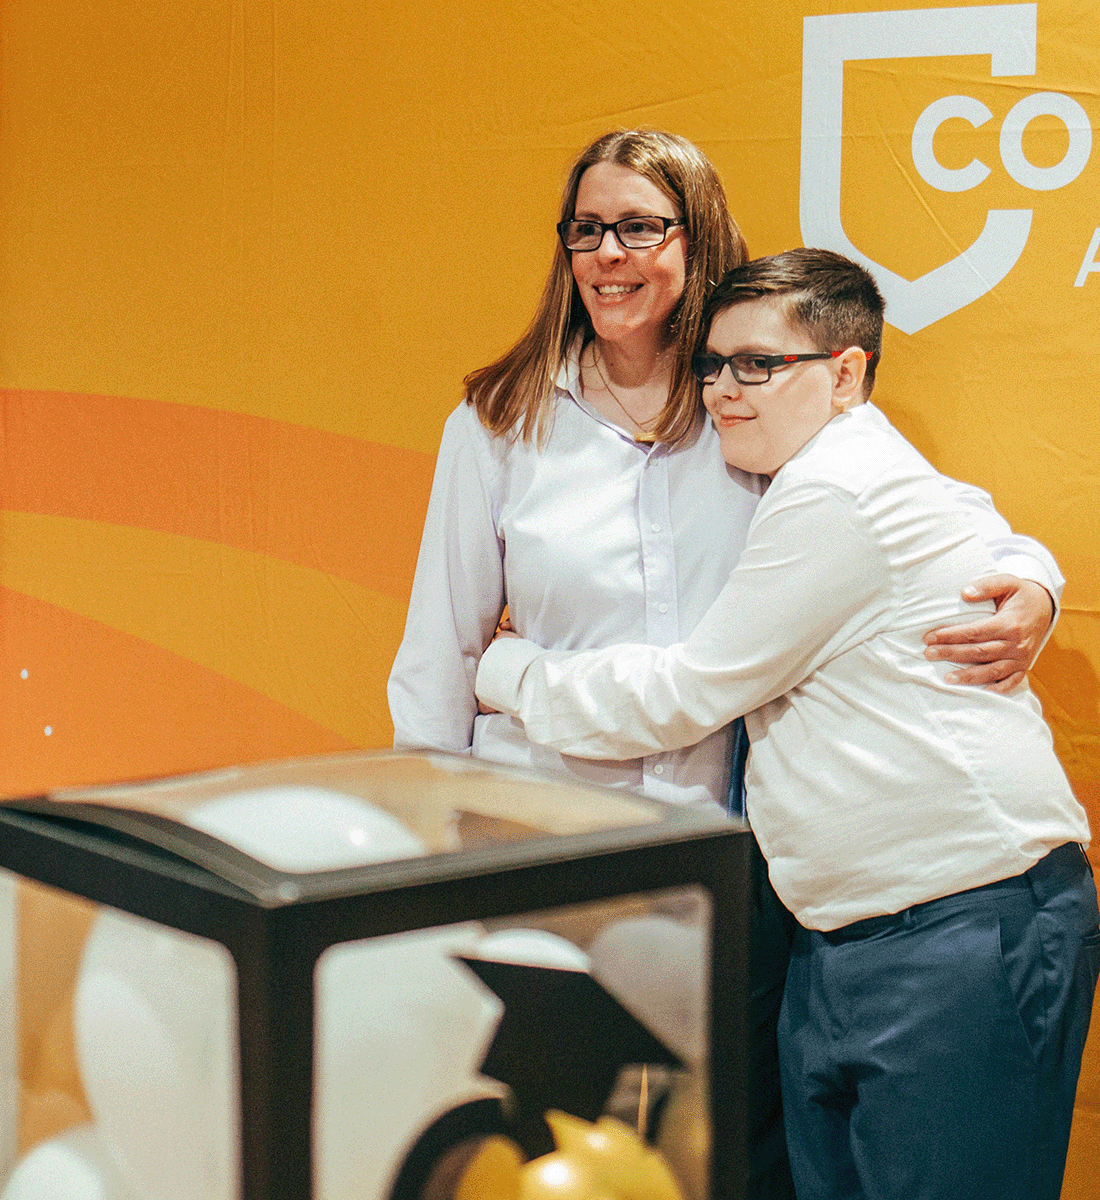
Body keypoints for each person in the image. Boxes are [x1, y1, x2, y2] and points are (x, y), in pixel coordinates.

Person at [387, 131, 1063, 1197]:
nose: (612, 254)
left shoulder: (751, 406)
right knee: (553, 1146)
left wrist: (1033, 582)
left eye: (641, 226)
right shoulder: (497, 423)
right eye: (587, 229)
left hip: (733, 860)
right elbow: (442, 652)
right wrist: (413, 872)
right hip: (546, 853)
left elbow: (931, 511)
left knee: (716, 1160)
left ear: (693, 240)